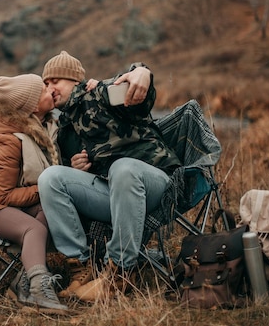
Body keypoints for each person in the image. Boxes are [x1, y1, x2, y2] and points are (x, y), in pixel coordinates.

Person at [37, 51, 181, 302]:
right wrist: (77, 169)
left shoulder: (100, 94)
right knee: (51, 178)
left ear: (74, 81)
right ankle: (82, 268)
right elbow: (82, 178)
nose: (49, 88)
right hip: (115, 194)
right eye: (45, 83)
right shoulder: (65, 130)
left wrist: (141, 71)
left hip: (156, 184)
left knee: (123, 167)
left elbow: (139, 92)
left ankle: (120, 272)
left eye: (54, 81)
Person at [0, 74, 68, 314]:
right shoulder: (10, 141)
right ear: (33, 107)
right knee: (34, 229)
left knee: (53, 210)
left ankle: (22, 282)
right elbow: (3, 196)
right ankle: (39, 289)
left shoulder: (45, 129)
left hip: (13, 203)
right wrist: (46, 188)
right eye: (43, 89)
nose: (50, 90)